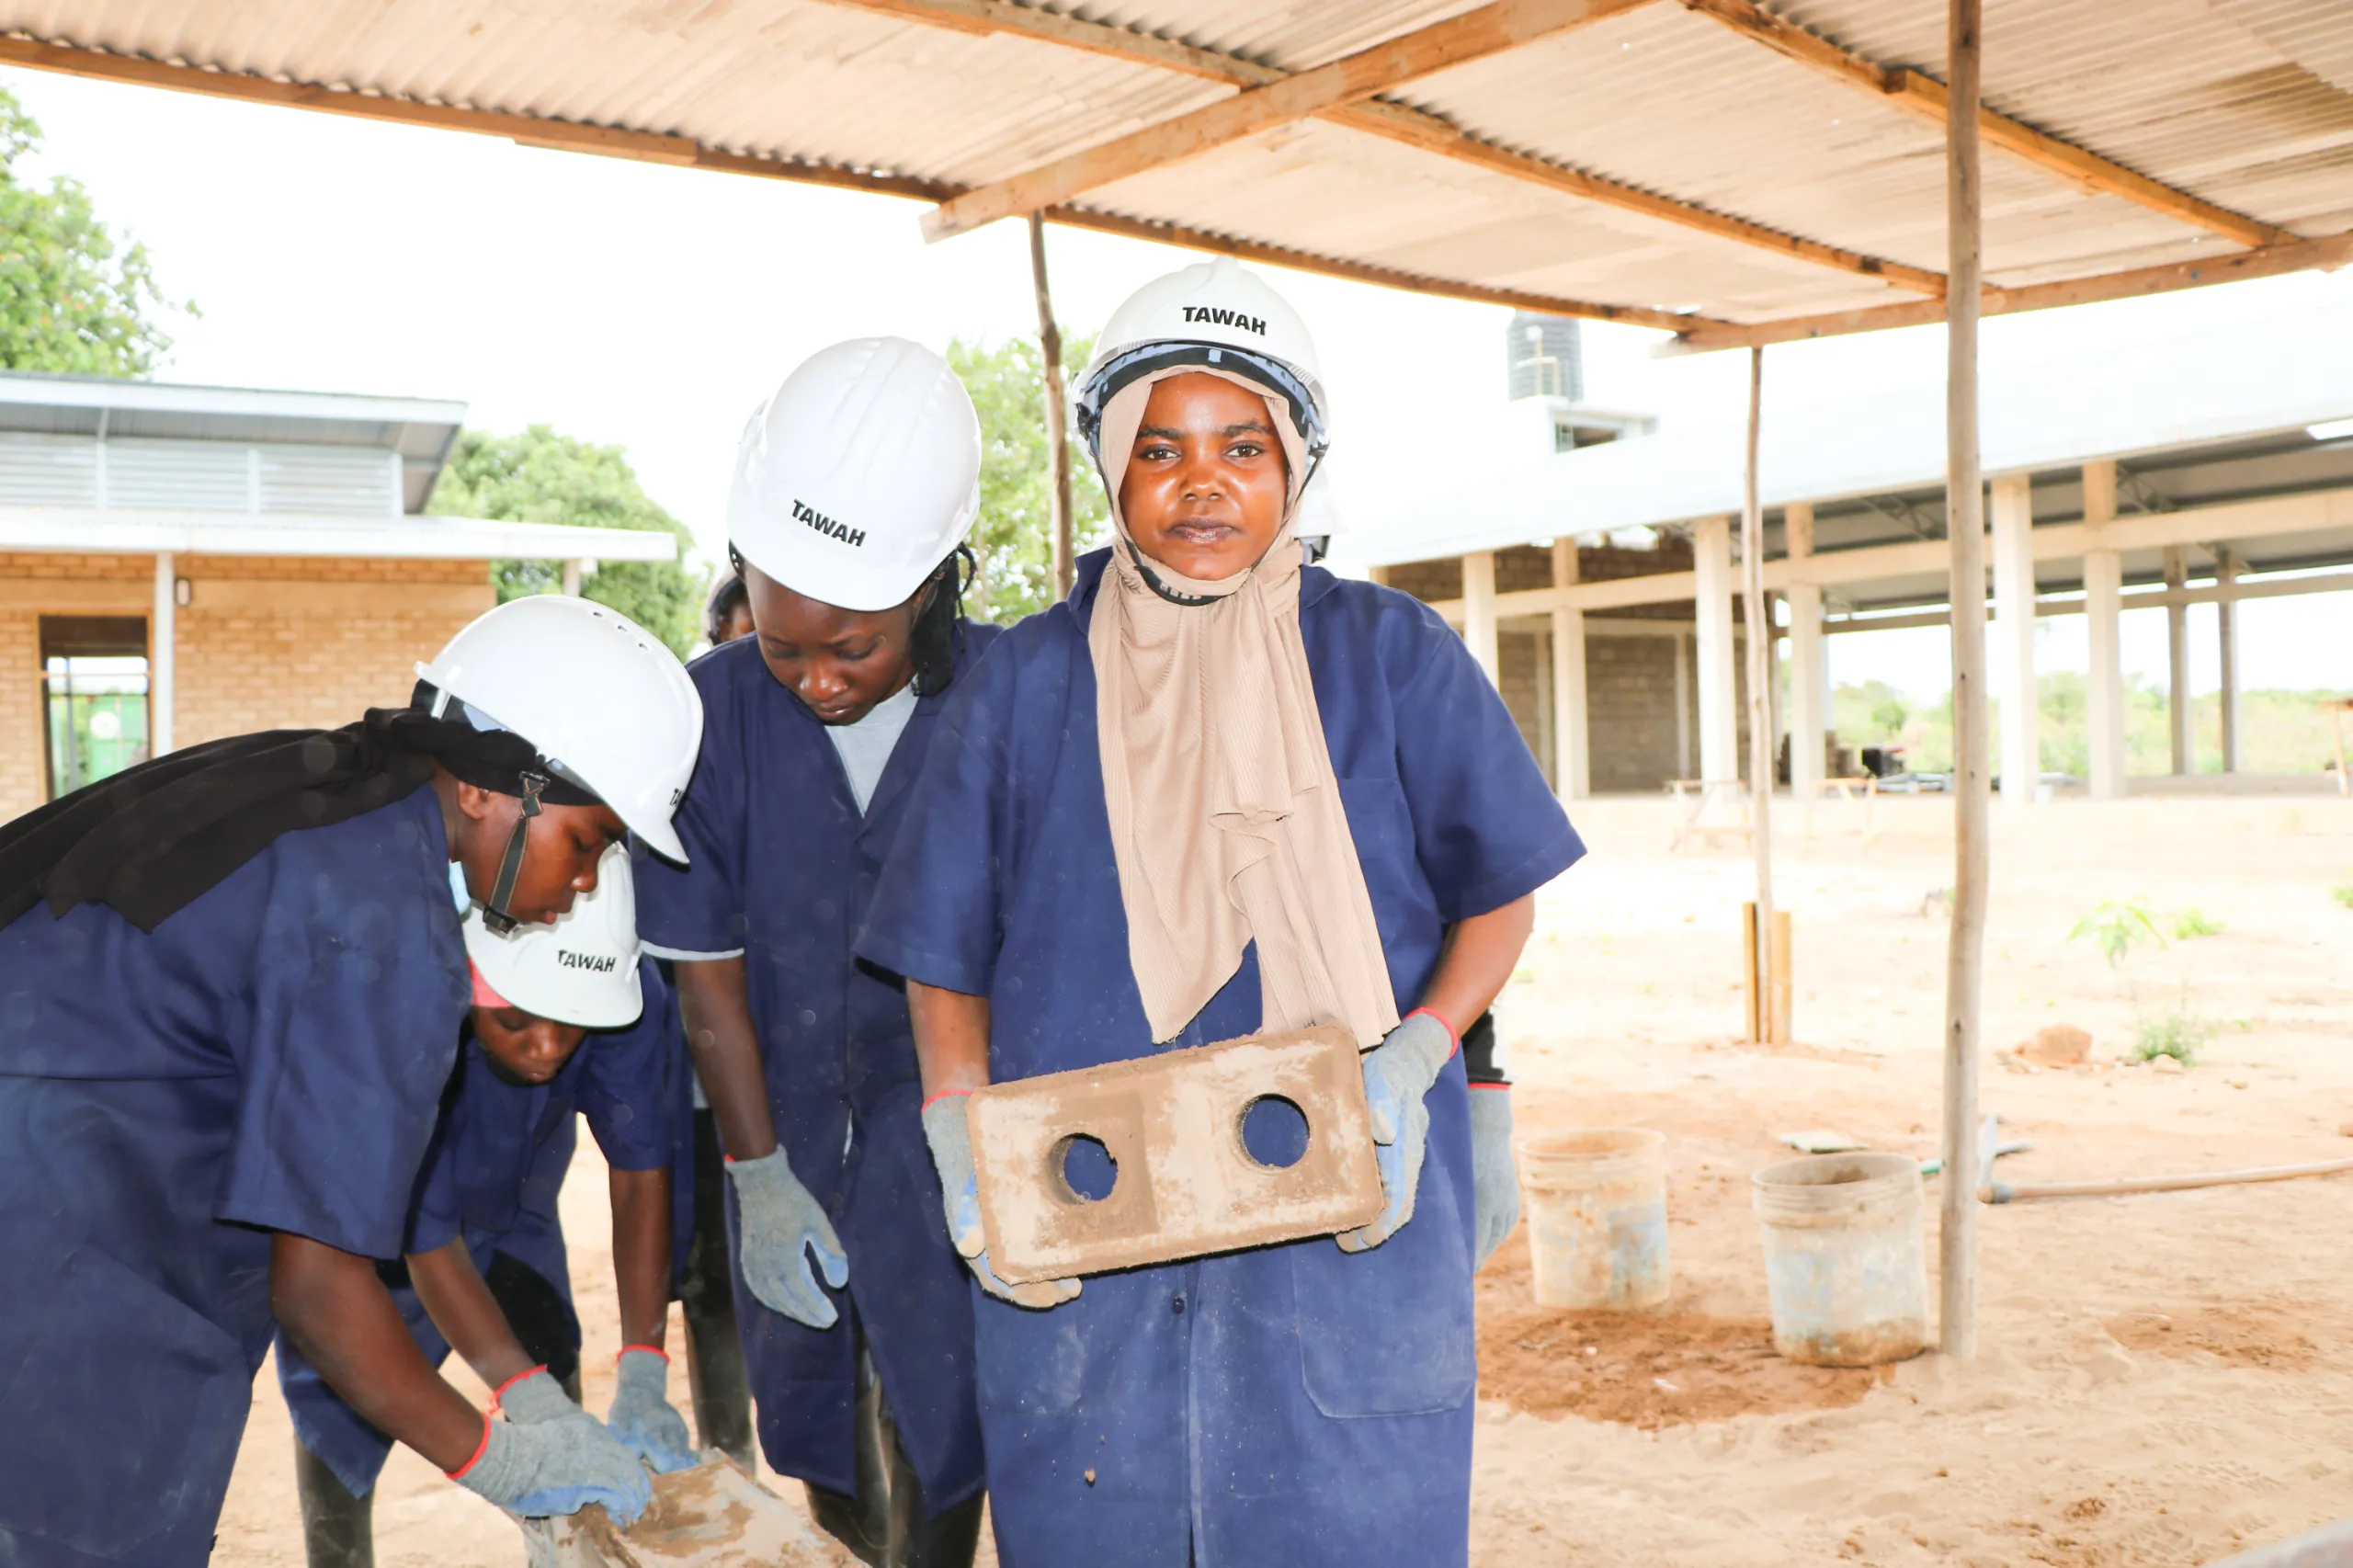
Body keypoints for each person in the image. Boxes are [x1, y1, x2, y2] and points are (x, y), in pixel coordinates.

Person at [857, 259, 1582, 1566]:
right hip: (1092, 1254)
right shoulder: (1024, 685)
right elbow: (941, 949)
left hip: (1343, 1255)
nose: (1203, 482)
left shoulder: (1389, 655)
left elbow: (1500, 896)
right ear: (1115, 473)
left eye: (1243, 444)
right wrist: (964, 1140)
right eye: (1161, 449)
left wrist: (1427, 1059)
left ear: (1296, 461)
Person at [0, 594, 702, 1565]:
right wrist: (501, 1464)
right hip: (57, 1234)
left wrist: (524, 1387)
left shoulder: (347, 801)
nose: (586, 883)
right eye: (587, 841)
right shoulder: (386, 925)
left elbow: (381, 1191)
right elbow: (321, 1289)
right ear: (492, 788)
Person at [634, 338, 996, 1567]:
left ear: (935, 590)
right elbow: (707, 970)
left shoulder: (1005, 699)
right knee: (817, 1416)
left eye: (854, 648)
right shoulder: (716, 710)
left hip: (959, 1136)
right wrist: (756, 1170)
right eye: (785, 648)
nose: (818, 680)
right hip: (781, 1125)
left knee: (954, 1407)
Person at [277, 846, 699, 1568]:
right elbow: (426, 1233)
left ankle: (567, 1550)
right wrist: (519, 1403)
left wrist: (641, 1362)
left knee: (551, 1375)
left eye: (572, 1028)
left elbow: (638, 1173)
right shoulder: (409, 1016)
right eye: (519, 1025)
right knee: (344, 1408)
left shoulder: (628, 1005)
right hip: (372, 1226)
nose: (547, 1049)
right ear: (473, 987)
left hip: (515, 1209)